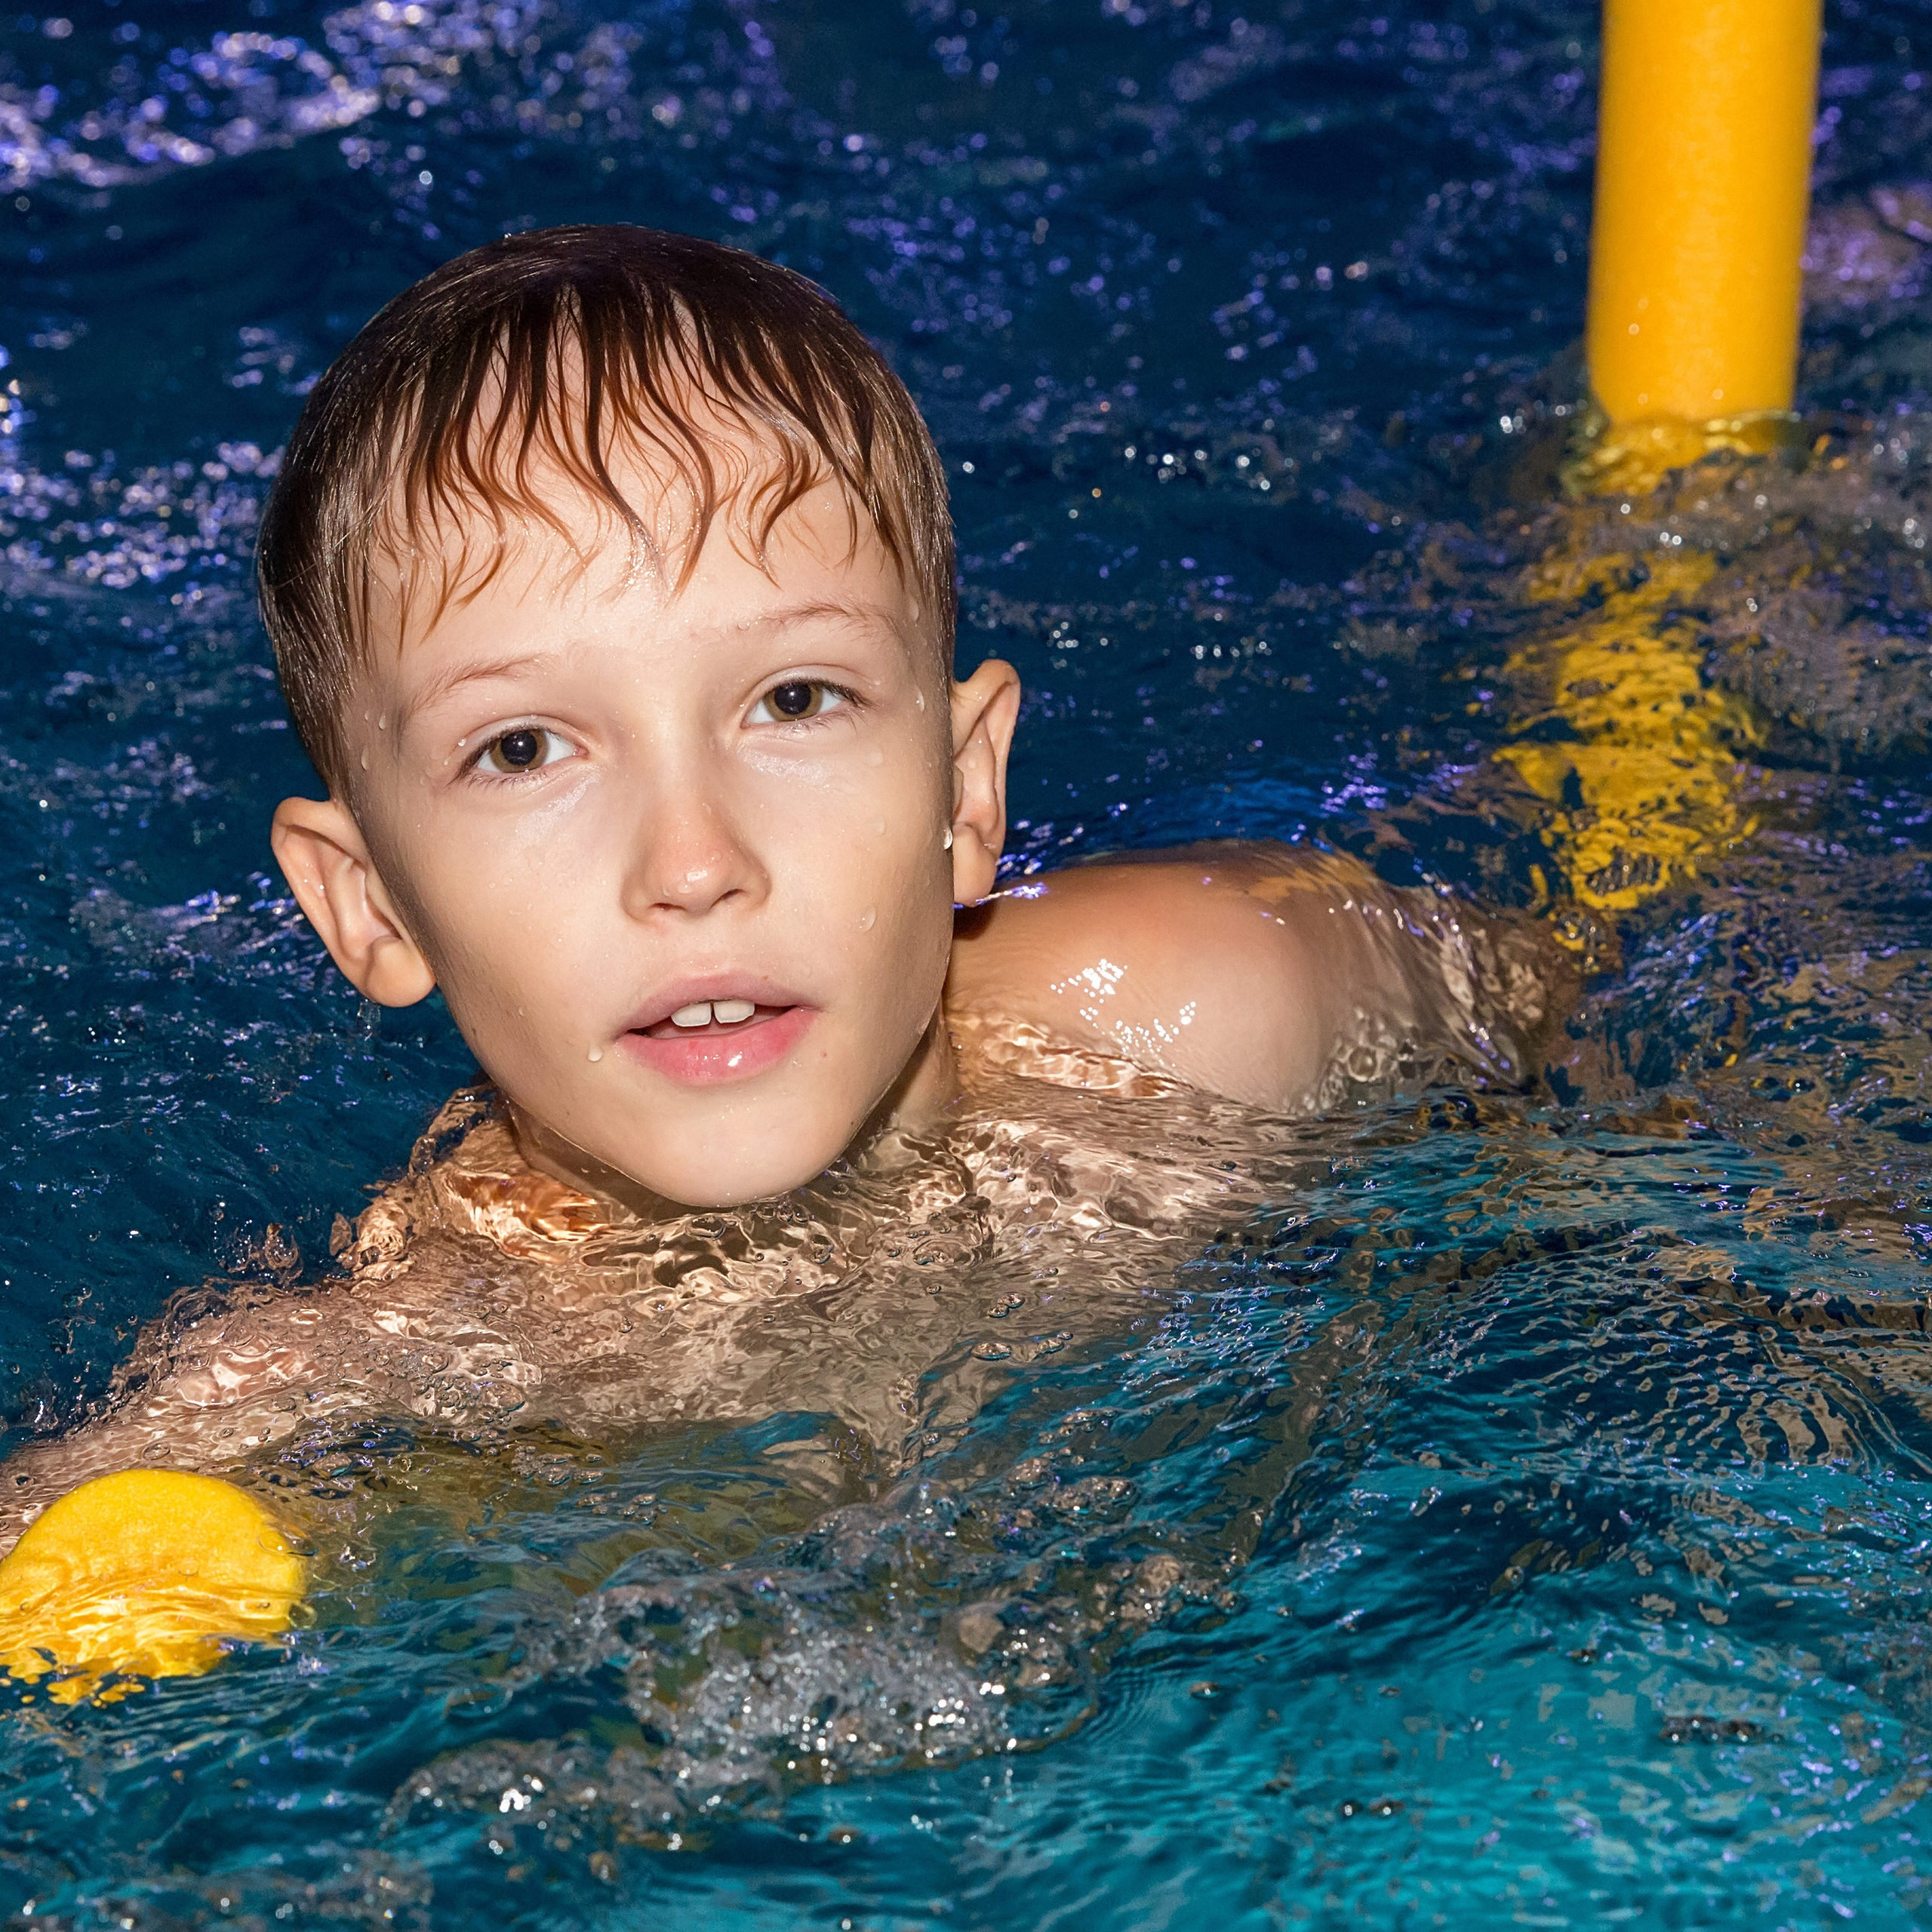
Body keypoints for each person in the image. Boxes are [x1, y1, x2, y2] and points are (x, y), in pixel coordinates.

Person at [0, 226, 1564, 1537]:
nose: (692, 863)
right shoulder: (405, 1350)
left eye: (793, 700)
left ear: (960, 796)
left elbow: (1583, 1022)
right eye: (526, 746)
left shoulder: (1209, 1007)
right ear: (371, 906)